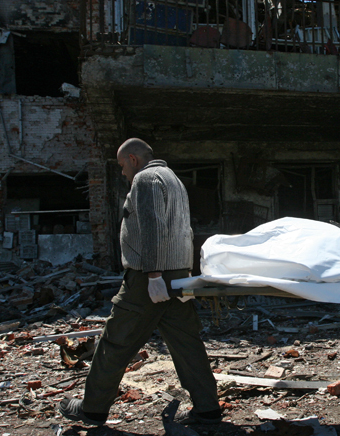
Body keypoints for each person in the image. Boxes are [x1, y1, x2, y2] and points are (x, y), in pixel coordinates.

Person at [59, 138, 221, 426]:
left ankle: (92, 408)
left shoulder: (146, 179)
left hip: (148, 278)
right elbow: (185, 230)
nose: (122, 172)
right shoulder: (174, 180)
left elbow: (151, 226)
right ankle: (207, 408)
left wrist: (153, 275)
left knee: (116, 340)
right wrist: (182, 272)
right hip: (177, 275)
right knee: (187, 343)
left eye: (122, 165)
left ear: (133, 159)